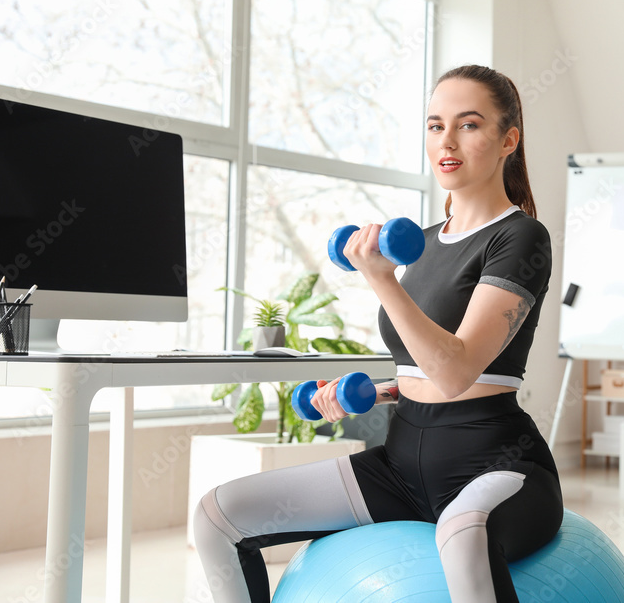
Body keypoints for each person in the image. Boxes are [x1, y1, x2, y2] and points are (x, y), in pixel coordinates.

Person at [193, 64, 563, 602]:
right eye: (435, 125)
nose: (447, 141)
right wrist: (386, 388)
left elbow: (458, 371)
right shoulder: (426, 240)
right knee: (217, 517)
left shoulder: (521, 237)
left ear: (509, 139)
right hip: (400, 462)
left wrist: (380, 278)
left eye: (469, 125)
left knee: (462, 539)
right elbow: (424, 364)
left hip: (496, 466)